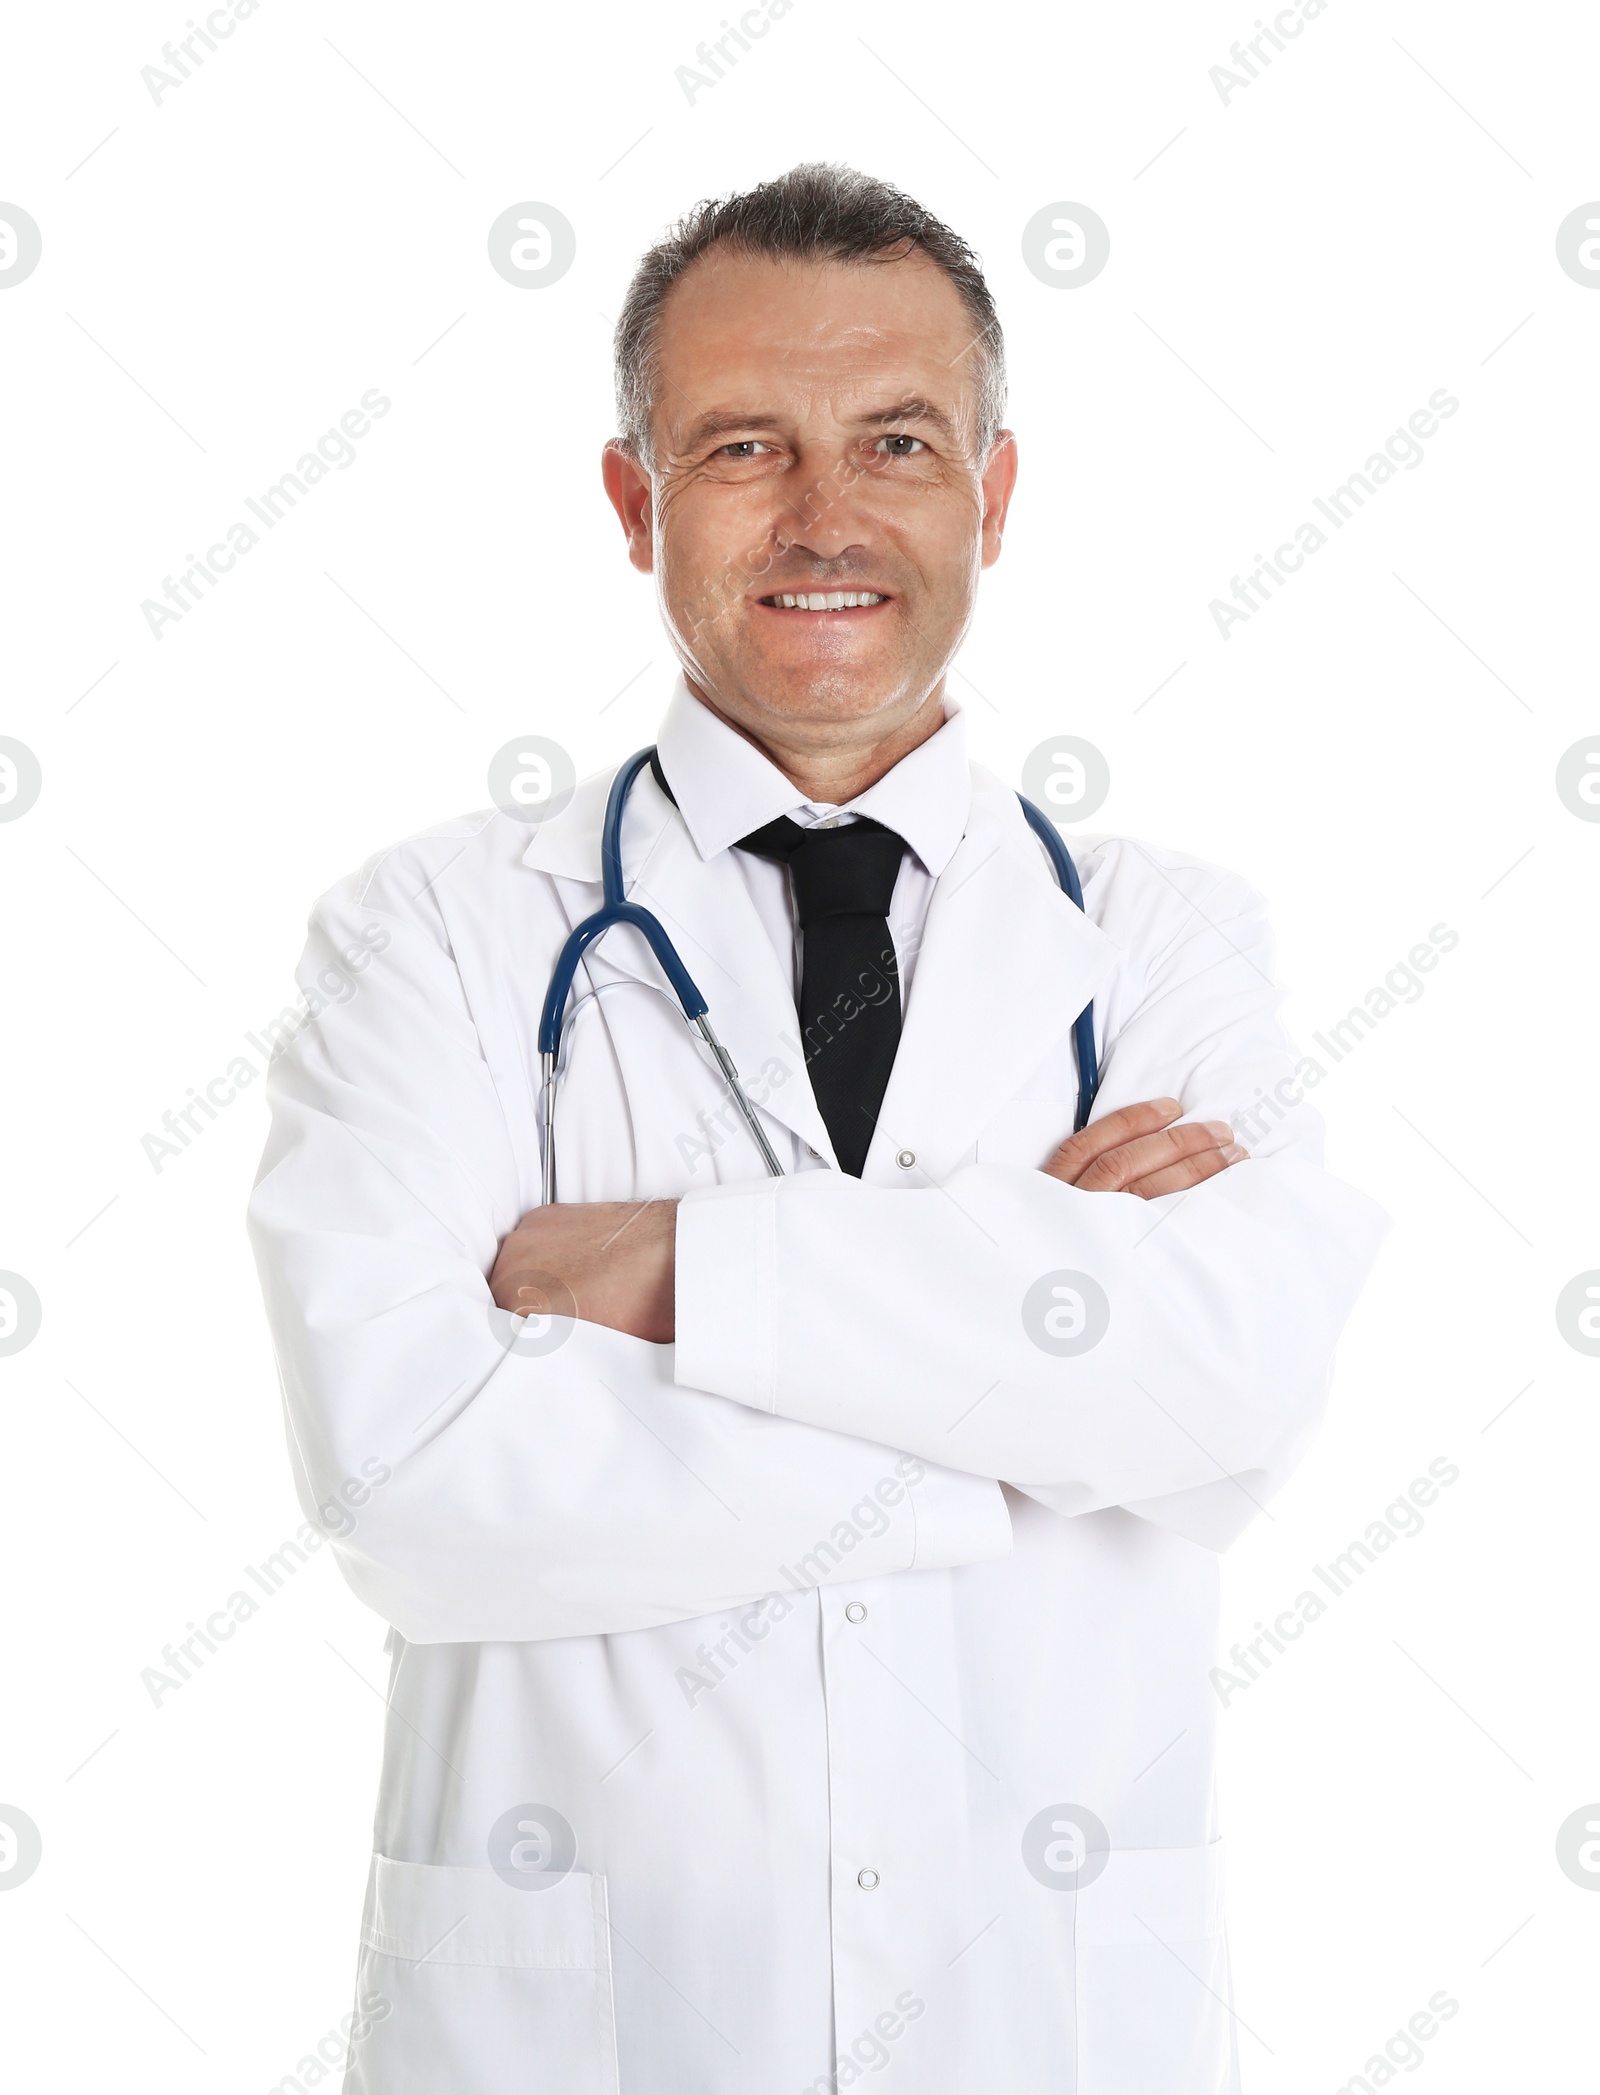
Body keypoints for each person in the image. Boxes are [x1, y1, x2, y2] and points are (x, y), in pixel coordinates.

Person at [249, 163, 1386, 2095]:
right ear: (634, 501)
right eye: (743, 446)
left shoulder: (1166, 942)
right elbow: (412, 1478)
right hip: (585, 2033)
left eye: (900, 441)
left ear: (994, 495)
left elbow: (1228, 1393)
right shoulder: (432, 935)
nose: (828, 515)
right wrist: (1019, 1391)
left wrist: (683, 1263)